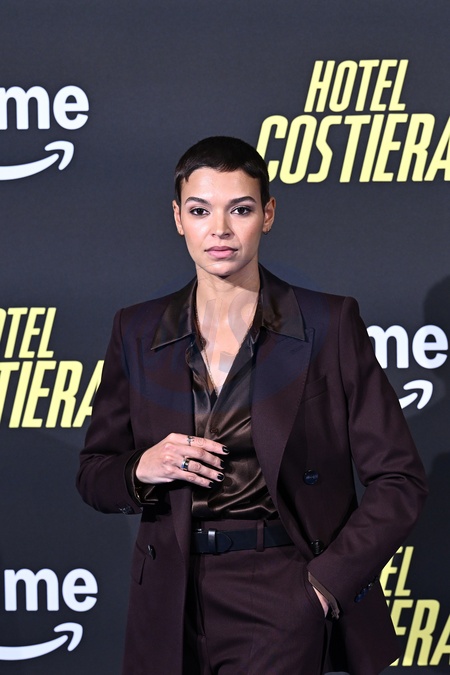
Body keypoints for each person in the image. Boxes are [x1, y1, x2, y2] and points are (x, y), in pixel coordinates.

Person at [77, 136, 427, 675]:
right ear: (178, 218)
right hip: (168, 594)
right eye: (200, 211)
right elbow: (94, 474)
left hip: (282, 590)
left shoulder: (328, 324)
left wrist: (323, 586)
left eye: (239, 209)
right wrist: (140, 468)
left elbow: (399, 479)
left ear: (268, 214)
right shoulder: (137, 330)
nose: (219, 229)